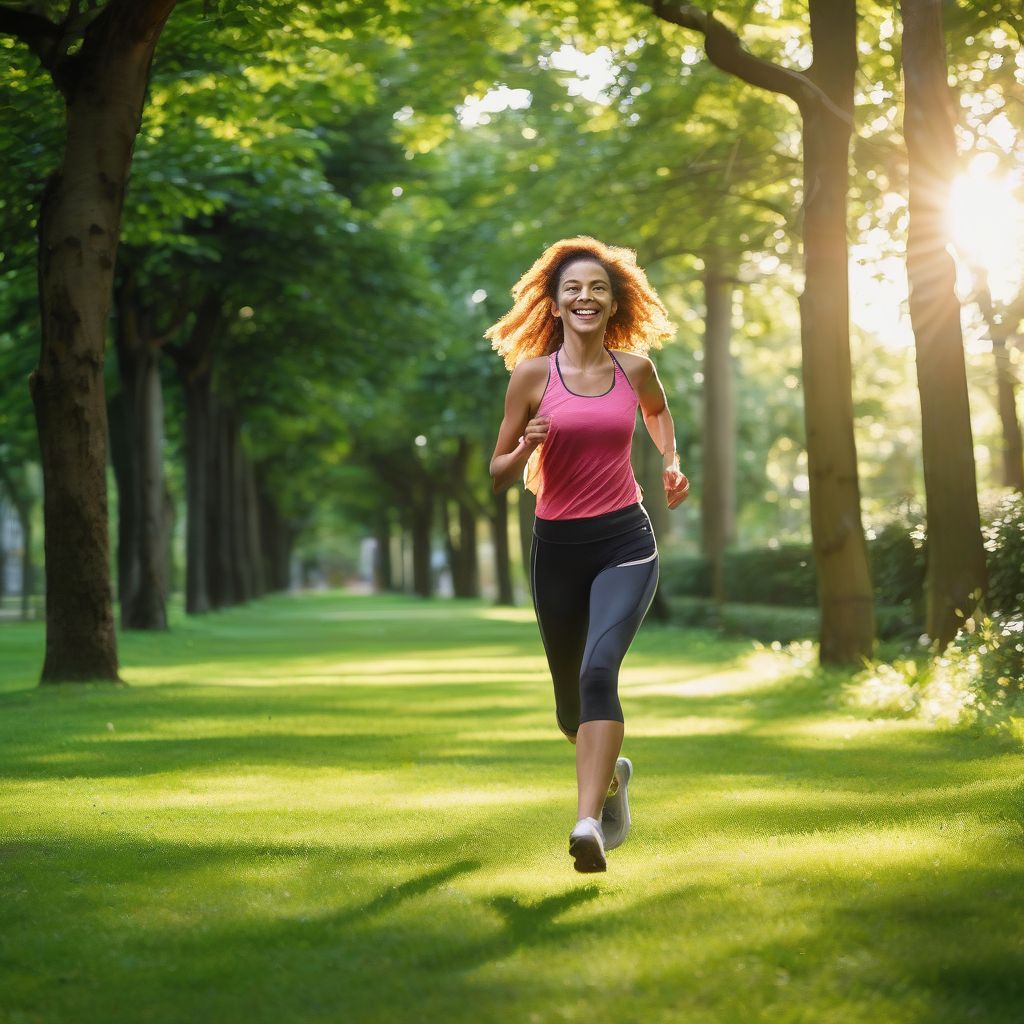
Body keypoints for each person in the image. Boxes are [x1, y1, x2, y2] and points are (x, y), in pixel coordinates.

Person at [487, 236, 689, 873]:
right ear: (554, 301)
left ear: (613, 301)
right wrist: (526, 449)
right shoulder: (530, 377)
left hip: (626, 541)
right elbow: (496, 472)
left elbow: (657, 414)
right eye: (573, 287)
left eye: (598, 288)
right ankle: (612, 778)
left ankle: (587, 825)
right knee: (571, 709)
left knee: (601, 670)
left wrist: (671, 460)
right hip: (558, 550)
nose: (585, 297)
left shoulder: (635, 370)